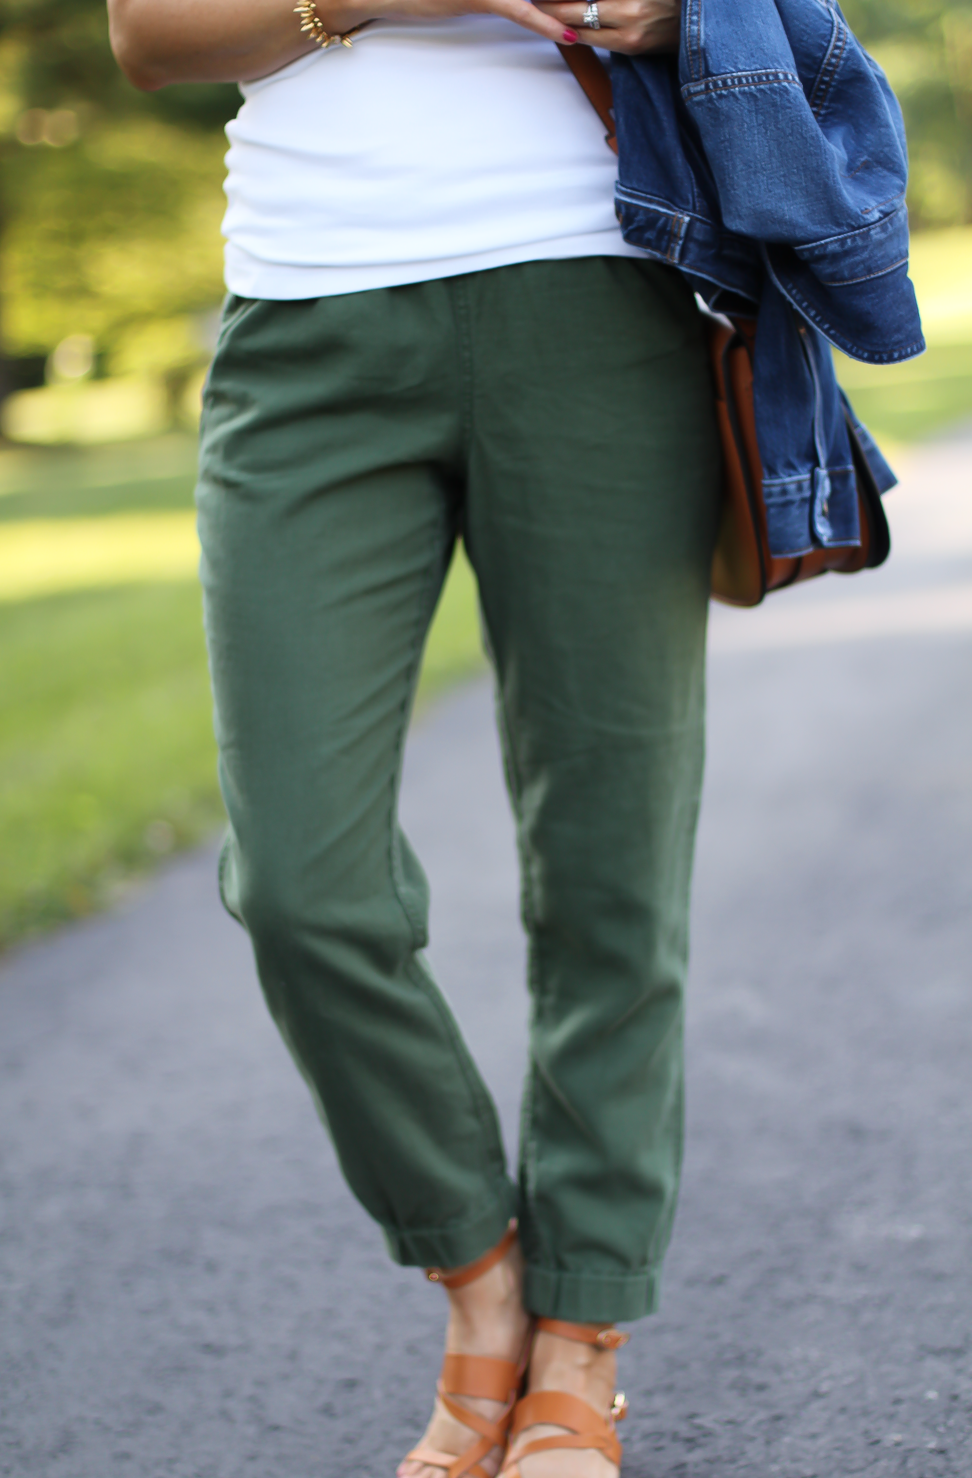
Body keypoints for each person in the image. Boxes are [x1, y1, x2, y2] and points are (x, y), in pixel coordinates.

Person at [108, 0, 722, 1469]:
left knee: (608, 865)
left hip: (599, 293)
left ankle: (578, 1339)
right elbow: (152, 33)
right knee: (301, 888)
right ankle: (478, 1267)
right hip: (307, 326)